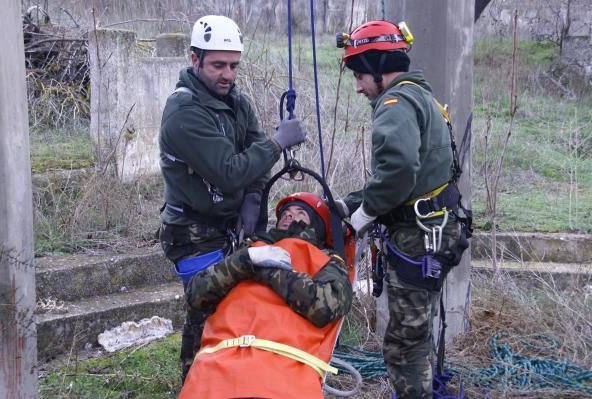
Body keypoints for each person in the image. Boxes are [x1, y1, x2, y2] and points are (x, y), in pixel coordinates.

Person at [157, 15, 307, 382]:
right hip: (192, 234)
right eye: (217, 65)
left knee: (233, 312)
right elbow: (230, 170)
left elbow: (252, 161)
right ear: (194, 60)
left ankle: (229, 383)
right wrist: (277, 143)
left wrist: (252, 199)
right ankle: (195, 383)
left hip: (227, 225)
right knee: (206, 314)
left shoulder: (235, 101)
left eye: (234, 65)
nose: (227, 74)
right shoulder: (184, 113)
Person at [335, 20, 470, 398]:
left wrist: (362, 216)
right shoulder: (424, 98)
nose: (359, 86)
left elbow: (397, 173)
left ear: (380, 69)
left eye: (361, 76)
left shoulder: (394, 103)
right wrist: (354, 201)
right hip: (437, 230)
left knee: (403, 343)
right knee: (416, 332)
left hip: (418, 239)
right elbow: (415, 175)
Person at [178, 192, 354, 399]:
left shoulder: (327, 261)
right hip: (216, 369)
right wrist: (247, 259)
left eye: (300, 213)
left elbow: (327, 305)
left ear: (316, 224)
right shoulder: (249, 250)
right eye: (285, 213)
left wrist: (263, 269)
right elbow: (196, 294)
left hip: (282, 374)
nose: (290, 216)